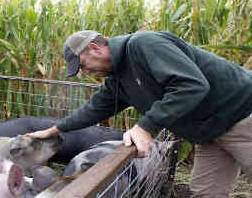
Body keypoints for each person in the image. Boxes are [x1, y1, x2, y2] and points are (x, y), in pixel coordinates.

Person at [26, 30, 252, 198]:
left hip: (241, 115)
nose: (85, 72)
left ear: (95, 48)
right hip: (209, 133)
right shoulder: (118, 78)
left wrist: (146, 126)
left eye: (83, 65)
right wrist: (56, 129)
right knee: (205, 194)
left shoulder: (144, 45)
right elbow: (94, 108)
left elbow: (192, 86)